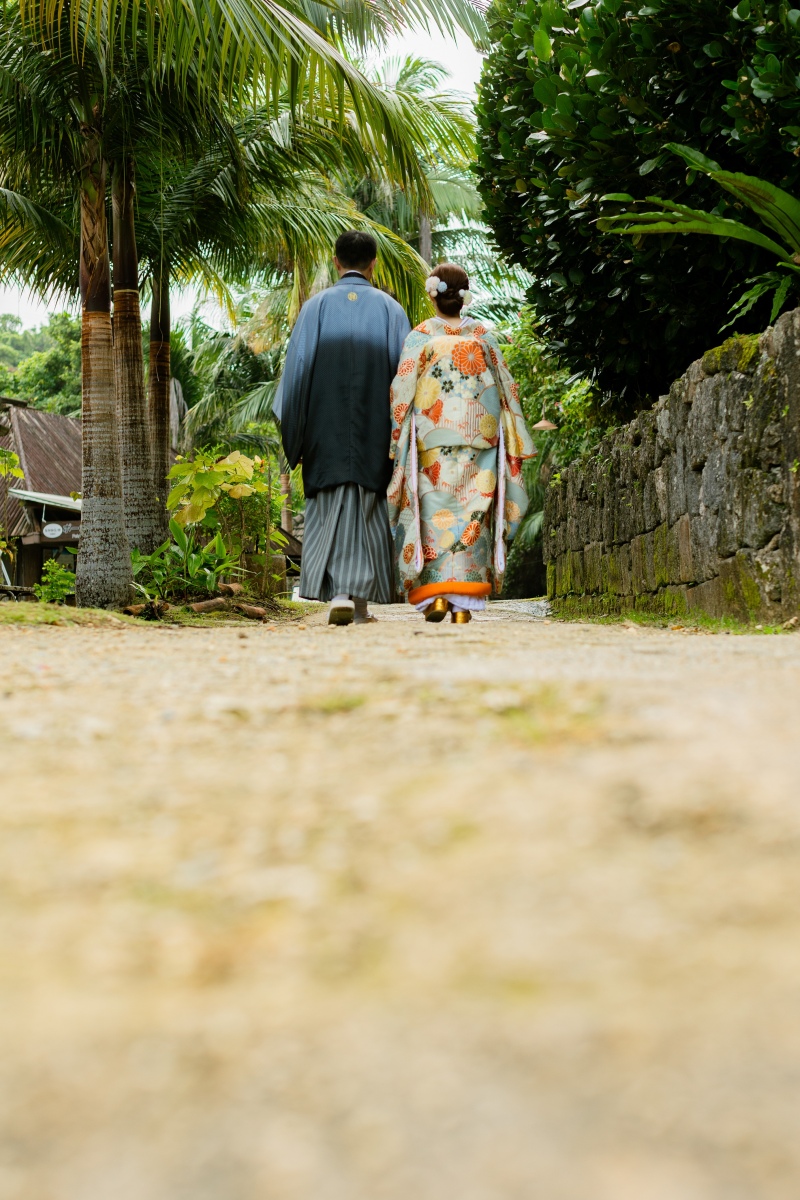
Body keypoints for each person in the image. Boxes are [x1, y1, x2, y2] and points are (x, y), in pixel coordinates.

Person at [387, 262, 535, 623]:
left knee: (434, 510)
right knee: (473, 509)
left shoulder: (421, 336)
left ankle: (436, 595)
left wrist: (396, 439)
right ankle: (463, 605)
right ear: (464, 295)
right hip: (479, 438)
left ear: (432, 293)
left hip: (431, 439)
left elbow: (402, 391)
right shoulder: (484, 337)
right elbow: (506, 390)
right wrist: (512, 434)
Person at [277, 231, 411, 625]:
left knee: (331, 505)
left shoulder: (314, 308)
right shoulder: (391, 311)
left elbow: (296, 378)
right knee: (369, 510)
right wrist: (401, 441)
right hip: (375, 430)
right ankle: (363, 606)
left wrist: (295, 438)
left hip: (324, 429)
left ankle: (338, 594)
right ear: (373, 264)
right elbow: (404, 381)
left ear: (336, 262)